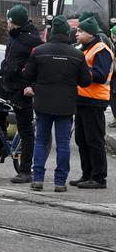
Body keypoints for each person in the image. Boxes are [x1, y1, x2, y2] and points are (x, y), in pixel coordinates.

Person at [22, 17, 91, 192]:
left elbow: (28, 75)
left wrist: (36, 84)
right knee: (63, 144)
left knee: (41, 141)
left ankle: (37, 179)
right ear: (68, 33)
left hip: (43, 103)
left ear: (52, 33)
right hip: (66, 106)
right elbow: (85, 82)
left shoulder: (39, 51)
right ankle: (60, 182)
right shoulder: (77, 54)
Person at [0, 5, 39, 182]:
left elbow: (38, 66)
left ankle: (25, 171)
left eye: (8, 20)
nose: (6, 23)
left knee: (25, 129)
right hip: (5, 84)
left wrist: (32, 86)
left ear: (13, 22)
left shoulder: (33, 40)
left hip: (21, 89)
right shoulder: (13, 37)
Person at [71, 16, 112, 189]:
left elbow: (101, 75)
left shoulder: (101, 50)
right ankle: (87, 174)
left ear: (90, 33)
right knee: (81, 139)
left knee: (94, 140)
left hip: (94, 101)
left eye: (80, 31)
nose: (77, 34)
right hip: (82, 100)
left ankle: (98, 177)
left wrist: (81, 70)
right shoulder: (86, 49)